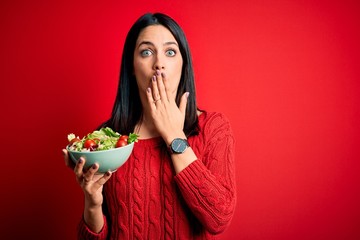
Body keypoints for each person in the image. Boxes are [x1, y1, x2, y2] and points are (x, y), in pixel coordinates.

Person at [63, 12, 236, 239]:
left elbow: (219, 218)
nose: (159, 64)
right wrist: (92, 203)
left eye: (170, 52)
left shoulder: (212, 128)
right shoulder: (109, 141)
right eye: (146, 52)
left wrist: (175, 137)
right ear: (132, 67)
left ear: (183, 64)